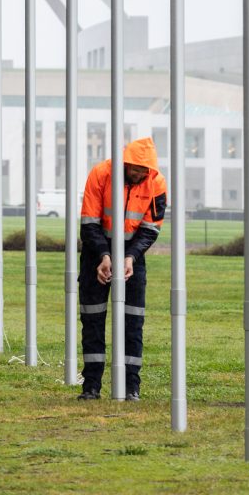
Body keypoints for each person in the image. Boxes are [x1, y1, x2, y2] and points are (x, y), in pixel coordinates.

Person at [78, 136, 167, 403]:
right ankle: (91, 386)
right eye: (135, 168)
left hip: (133, 256)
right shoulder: (101, 174)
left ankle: (131, 387)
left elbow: (151, 228)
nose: (140, 173)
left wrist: (131, 257)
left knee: (133, 321)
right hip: (97, 252)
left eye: (144, 170)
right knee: (93, 319)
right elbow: (89, 222)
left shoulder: (157, 183)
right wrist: (104, 256)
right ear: (125, 163)